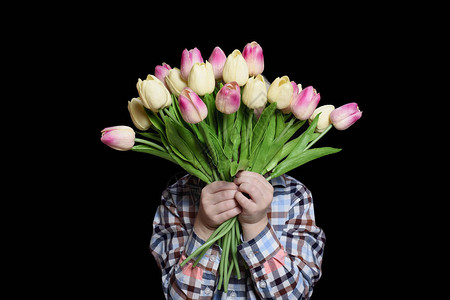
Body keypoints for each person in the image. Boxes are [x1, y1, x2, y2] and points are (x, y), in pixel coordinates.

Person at [150, 170, 325, 299]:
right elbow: (177, 296)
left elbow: (294, 296)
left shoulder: (294, 194)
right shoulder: (177, 195)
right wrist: (204, 227)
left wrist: (256, 224)